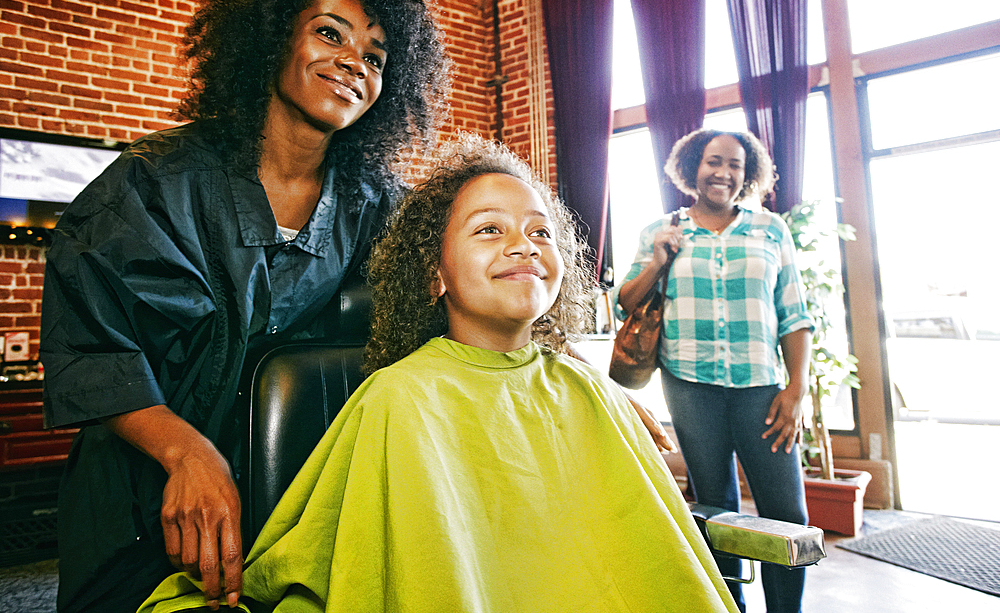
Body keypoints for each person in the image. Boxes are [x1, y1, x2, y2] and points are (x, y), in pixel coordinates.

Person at [137, 133, 739, 613]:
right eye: (488, 230)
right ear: (435, 275)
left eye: (540, 232)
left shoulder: (587, 391)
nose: (524, 246)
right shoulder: (399, 398)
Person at [39, 0, 449, 611]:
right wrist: (184, 453)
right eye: (328, 32)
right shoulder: (155, 181)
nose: (353, 61)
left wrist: (568, 377)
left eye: (375, 56)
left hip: (298, 499)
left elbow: (466, 295)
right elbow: (92, 343)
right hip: (146, 501)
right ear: (270, 39)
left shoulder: (381, 207)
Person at [613, 129, 813, 613]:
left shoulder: (771, 230)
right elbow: (626, 304)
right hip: (690, 386)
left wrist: (797, 388)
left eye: (734, 165)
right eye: (712, 161)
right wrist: (659, 260)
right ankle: (732, 607)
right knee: (716, 512)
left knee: (788, 515)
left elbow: (795, 314)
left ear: (748, 175)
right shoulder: (664, 230)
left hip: (761, 391)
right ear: (691, 167)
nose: (722, 172)